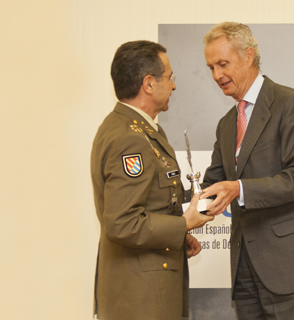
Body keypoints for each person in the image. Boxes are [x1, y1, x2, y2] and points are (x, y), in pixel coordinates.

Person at [200, 22, 294, 319]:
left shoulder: (290, 104)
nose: (217, 75)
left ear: (248, 56)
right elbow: (212, 186)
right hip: (243, 270)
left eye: (222, 64)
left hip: (289, 271)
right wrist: (180, 222)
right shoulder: (225, 123)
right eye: (210, 68)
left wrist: (239, 189)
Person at [90, 40, 214, 320]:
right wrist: (184, 223)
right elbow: (122, 223)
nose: (174, 86)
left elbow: (150, 206)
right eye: (170, 77)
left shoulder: (133, 129)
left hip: (145, 288)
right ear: (149, 83)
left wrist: (178, 235)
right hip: (141, 297)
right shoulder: (130, 139)